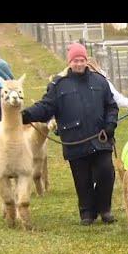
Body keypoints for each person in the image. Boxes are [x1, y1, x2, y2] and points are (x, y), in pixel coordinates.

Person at [21, 43, 119, 225]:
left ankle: (104, 209)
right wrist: (28, 115)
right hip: (75, 141)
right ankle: (87, 213)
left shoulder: (99, 81)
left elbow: (111, 106)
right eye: (75, 61)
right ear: (70, 62)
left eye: (82, 60)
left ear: (86, 61)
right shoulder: (59, 85)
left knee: (106, 172)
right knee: (82, 179)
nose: (79, 64)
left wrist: (110, 124)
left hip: (100, 138)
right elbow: (46, 106)